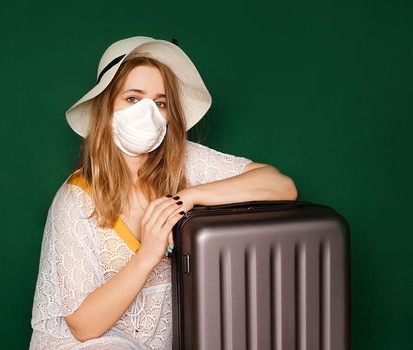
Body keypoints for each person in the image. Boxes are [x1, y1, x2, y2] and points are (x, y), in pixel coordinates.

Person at [29, 36, 297, 349]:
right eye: (132, 99)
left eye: (160, 103)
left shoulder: (182, 161)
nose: (148, 113)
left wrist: (190, 197)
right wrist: (147, 256)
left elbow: (281, 186)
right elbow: (83, 327)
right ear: (106, 108)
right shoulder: (76, 199)